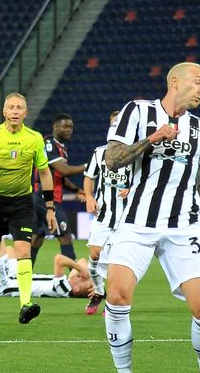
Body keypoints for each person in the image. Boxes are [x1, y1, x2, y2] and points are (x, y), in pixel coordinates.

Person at [99, 62, 200, 373]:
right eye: (198, 81)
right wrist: (152, 139)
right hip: (136, 223)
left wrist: (184, 199)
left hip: (184, 227)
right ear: (175, 81)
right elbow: (112, 160)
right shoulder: (138, 111)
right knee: (117, 296)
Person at [0, 92, 57, 324]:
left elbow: (45, 173)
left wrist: (50, 207)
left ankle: (25, 304)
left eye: (19, 108)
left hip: (21, 203)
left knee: (23, 251)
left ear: (25, 113)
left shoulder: (34, 139)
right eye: (11, 107)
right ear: (4, 112)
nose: (15, 111)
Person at [81, 111, 132, 315]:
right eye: (114, 123)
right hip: (103, 214)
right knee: (94, 255)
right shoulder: (99, 152)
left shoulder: (136, 153)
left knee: (116, 262)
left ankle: (113, 301)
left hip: (126, 218)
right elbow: (89, 177)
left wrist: (131, 189)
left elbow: (145, 181)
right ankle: (99, 292)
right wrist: (89, 196)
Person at [31, 113, 87, 266]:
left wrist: (76, 190)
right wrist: (90, 166)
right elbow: (63, 170)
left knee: (36, 238)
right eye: (65, 126)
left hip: (42, 197)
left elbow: (60, 176)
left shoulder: (61, 148)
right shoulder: (48, 144)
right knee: (65, 237)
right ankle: (77, 282)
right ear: (55, 127)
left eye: (71, 127)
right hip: (45, 196)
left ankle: (22, 279)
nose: (69, 130)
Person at [0, 240, 94, 299]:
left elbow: (59, 259)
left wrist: (80, 270)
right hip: (15, 276)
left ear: (76, 289)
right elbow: (82, 261)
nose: (80, 276)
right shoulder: (68, 285)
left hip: (4, 285)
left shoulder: (63, 288)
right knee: (10, 250)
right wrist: (86, 275)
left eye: (82, 279)